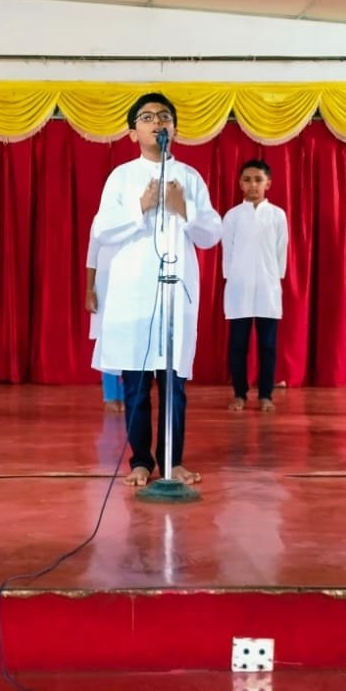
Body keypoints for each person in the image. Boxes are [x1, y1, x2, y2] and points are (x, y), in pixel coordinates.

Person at [92, 92, 221, 487]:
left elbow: (211, 233)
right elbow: (102, 230)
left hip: (175, 294)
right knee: (136, 385)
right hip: (132, 293)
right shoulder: (121, 177)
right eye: (146, 118)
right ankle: (140, 462)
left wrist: (185, 209)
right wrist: (140, 206)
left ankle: (172, 461)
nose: (156, 123)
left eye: (163, 117)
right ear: (133, 132)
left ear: (174, 129)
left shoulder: (190, 178)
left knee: (172, 384)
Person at [222, 158, 288, 413]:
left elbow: (281, 251)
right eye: (247, 180)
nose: (253, 185)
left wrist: (274, 279)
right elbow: (227, 253)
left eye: (258, 180)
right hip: (239, 288)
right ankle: (239, 393)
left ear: (268, 183)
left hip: (267, 288)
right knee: (238, 345)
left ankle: (265, 394)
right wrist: (231, 280)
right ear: (240, 183)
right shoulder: (232, 216)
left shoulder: (277, 215)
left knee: (267, 346)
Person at [85, 227, 124, 413]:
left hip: (131, 281)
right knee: (106, 340)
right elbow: (92, 257)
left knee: (128, 338)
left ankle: (125, 394)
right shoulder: (100, 218)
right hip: (104, 282)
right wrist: (89, 290)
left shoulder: (139, 213)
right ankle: (110, 395)